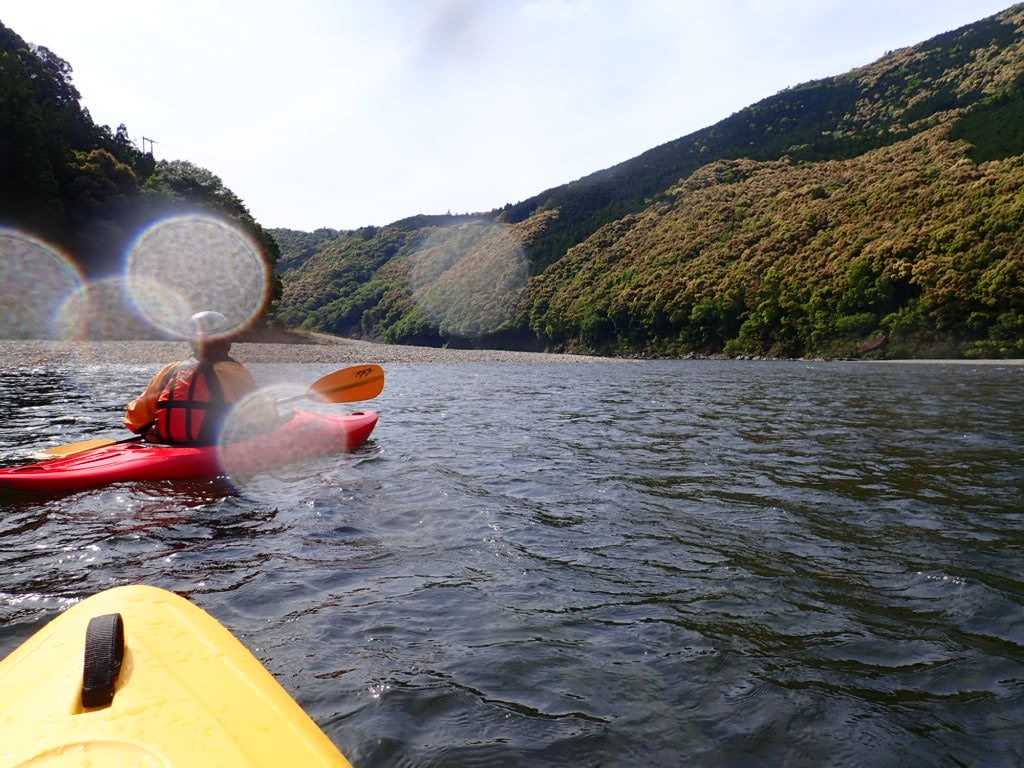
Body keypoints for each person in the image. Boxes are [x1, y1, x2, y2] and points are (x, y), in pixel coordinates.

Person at [124, 311, 258, 445]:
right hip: (210, 447)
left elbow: (135, 420)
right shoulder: (234, 373)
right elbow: (260, 419)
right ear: (226, 340)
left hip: (165, 445)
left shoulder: (170, 371)